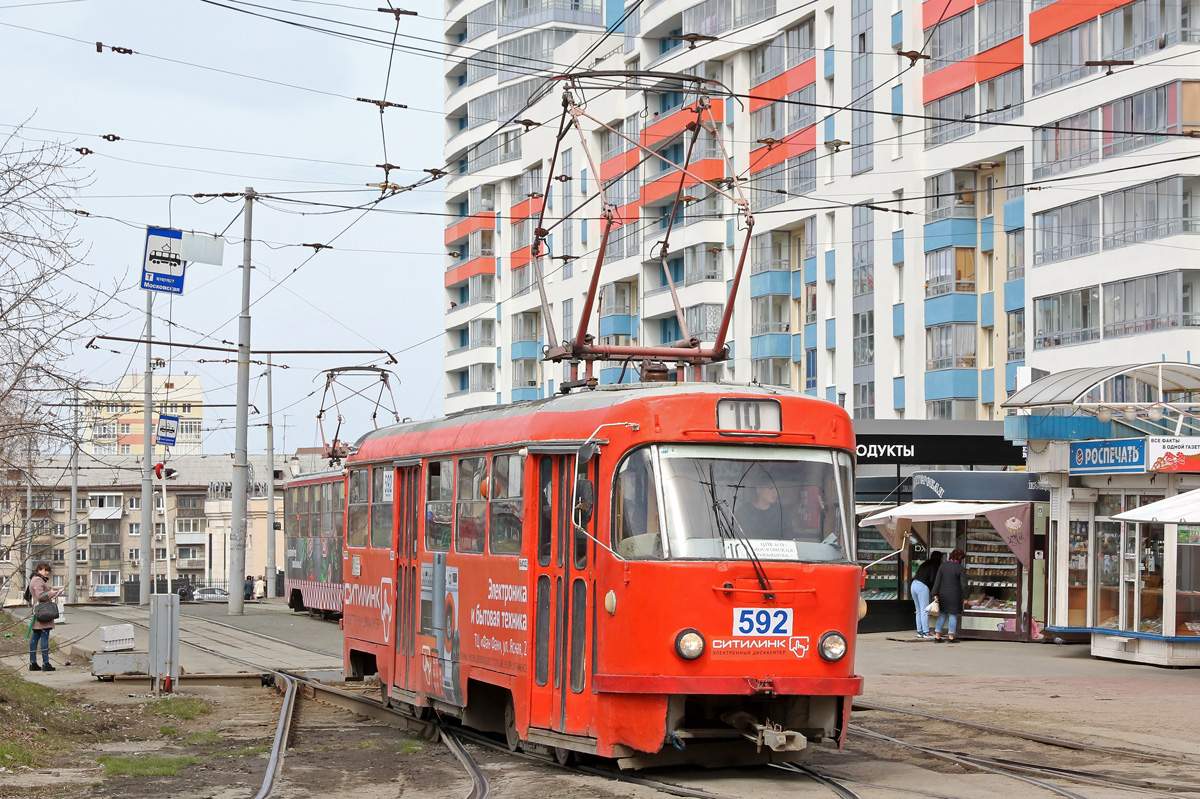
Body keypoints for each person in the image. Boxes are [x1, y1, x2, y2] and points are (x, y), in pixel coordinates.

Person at [28, 563, 62, 672]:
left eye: (48, 570)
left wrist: (50, 593)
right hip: (43, 612)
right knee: (44, 636)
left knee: (35, 637)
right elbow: (40, 596)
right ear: (38, 570)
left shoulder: (34, 579)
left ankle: (33, 663)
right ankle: (45, 663)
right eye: (44, 570)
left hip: (38, 611)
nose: (46, 572)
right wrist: (51, 593)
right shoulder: (38, 580)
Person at [733, 468, 785, 539]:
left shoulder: (781, 513)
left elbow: (787, 538)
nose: (775, 492)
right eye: (770, 488)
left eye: (776, 488)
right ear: (759, 489)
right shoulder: (744, 512)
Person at [931, 548, 969, 642]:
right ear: (960, 558)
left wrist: (935, 593)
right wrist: (965, 597)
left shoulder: (943, 566)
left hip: (943, 593)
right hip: (955, 594)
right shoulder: (960, 568)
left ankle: (937, 636)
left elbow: (937, 580)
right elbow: (964, 584)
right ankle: (951, 636)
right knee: (953, 615)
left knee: (942, 615)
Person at [910, 551, 943, 640]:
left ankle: (919, 632)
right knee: (924, 610)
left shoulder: (925, 563)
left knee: (918, 610)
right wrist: (935, 592)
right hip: (922, 586)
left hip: (913, 584)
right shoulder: (935, 565)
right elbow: (932, 579)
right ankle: (926, 632)